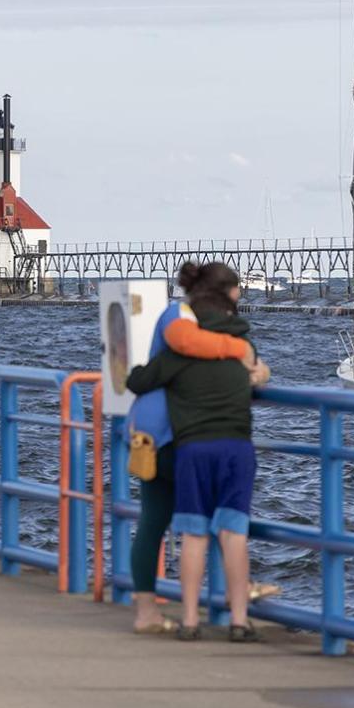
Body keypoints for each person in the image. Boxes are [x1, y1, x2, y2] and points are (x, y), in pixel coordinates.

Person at [125, 261, 270, 643]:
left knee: (178, 527)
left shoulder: (186, 329)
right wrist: (243, 355)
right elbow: (188, 343)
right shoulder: (189, 322)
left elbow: (142, 375)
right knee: (212, 526)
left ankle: (185, 614)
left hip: (184, 438)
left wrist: (254, 365)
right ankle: (235, 605)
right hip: (175, 437)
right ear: (228, 295)